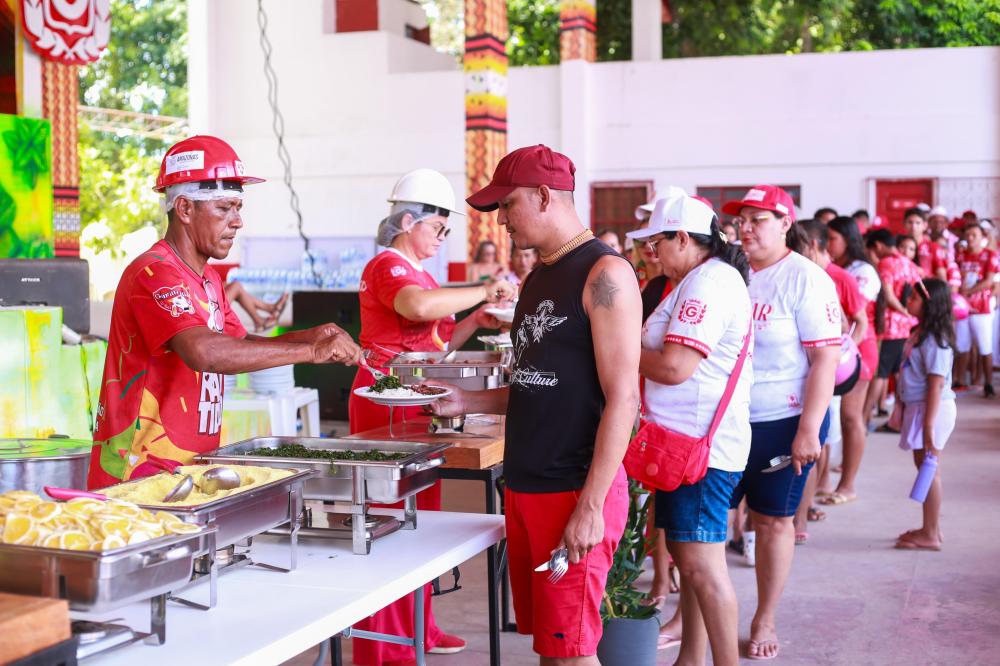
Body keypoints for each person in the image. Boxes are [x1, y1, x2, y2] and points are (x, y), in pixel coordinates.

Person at [430, 144, 642, 666]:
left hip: (573, 489)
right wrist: (466, 400)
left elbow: (625, 398)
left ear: (545, 196)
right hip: (527, 486)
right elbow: (536, 382)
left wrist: (590, 507)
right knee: (552, 646)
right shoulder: (539, 276)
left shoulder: (605, 275)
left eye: (507, 205)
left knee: (572, 653)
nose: (500, 221)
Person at [87, 136, 362, 488]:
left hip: (185, 469)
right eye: (224, 208)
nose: (237, 222)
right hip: (137, 472)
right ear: (184, 209)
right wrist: (310, 351)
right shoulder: (153, 274)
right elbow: (204, 351)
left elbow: (238, 342)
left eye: (239, 208)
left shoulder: (209, 279)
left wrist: (310, 335)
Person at [349, 168, 515, 665]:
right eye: (439, 229)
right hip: (384, 400)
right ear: (407, 221)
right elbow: (418, 308)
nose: (443, 240)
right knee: (389, 519)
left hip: (413, 396)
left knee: (421, 518)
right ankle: (385, 643)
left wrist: (474, 321)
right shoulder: (388, 265)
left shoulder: (416, 270)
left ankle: (421, 624)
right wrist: (485, 290)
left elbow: (432, 345)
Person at [629, 192, 753, 666]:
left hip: (699, 447)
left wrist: (614, 351)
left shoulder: (708, 285)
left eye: (656, 243)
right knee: (692, 560)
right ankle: (691, 658)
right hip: (688, 444)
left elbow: (675, 366)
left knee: (703, 568)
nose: (650, 253)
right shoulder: (697, 279)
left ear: (683, 237)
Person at [722, 186, 840, 661]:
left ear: (785, 222)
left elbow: (826, 360)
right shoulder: (730, 273)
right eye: (742, 219)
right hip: (727, 418)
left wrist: (808, 430)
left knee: (773, 522)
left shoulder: (805, 279)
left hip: (782, 420)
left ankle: (764, 617)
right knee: (709, 521)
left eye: (759, 219)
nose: (746, 228)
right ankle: (693, 615)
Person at [795, 220, 870, 530]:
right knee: (824, 428)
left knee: (845, 421)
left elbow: (860, 322)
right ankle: (820, 487)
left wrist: (841, 353)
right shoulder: (802, 274)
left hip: (847, 361)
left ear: (812, 245)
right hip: (825, 362)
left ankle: (843, 484)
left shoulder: (839, 277)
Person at [895, 278, 956, 552]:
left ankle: (930, 533)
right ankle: (931, 528)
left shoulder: (935, 341)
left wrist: (928, 425)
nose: (909, 302)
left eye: (914, 298)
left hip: (932, 409)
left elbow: (936, 384)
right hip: (921, 408)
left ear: (930, 304)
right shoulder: (921, 333)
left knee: (930, 469)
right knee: (925, 467)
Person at [865, 229, 923, 427]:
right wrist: (908, 314)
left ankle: (864, 417)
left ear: (878, 246)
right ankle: (902, 417)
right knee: (898, 371)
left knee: (879, 373)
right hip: (906, 327)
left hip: (890, 326)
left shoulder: (886, 263)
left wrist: (902, 311)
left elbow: (888, 296)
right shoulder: (910, 264)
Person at [954, 222, 998, 397]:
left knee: (984, 345)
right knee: (962, 344)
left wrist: (968, 292)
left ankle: (988, 383)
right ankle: (960, 380)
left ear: (983, 238)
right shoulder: (961, 256)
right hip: (962, 308)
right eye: (968, 235)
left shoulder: (990, 255)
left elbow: (989, 281)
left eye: (975, 235)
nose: (971, 238)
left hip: (982, 308)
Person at [903, 207, 948, 281]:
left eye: (918, 223)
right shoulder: (898, 246)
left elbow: (942, 277)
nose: (913, 227)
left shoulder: (933, 247)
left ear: (925, 225)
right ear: (904, 224)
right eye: (910, 222)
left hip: (928, 288)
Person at [223, 282, 288, 331]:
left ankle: (266, 312)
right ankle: (263, 316)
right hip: (214, 312)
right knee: (236, 286)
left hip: (214, 308)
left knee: (229, 286)